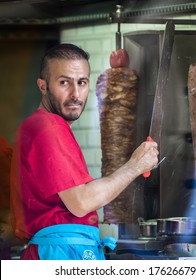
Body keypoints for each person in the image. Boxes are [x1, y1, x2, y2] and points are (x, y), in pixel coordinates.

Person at [10, 43, 159, 260]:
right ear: (43, 86)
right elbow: (81, 202)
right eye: (64, 83)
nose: (75, 94)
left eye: (82, 82)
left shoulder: (41, 126)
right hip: (59, 254)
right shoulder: (48, 128)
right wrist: (135, 165)